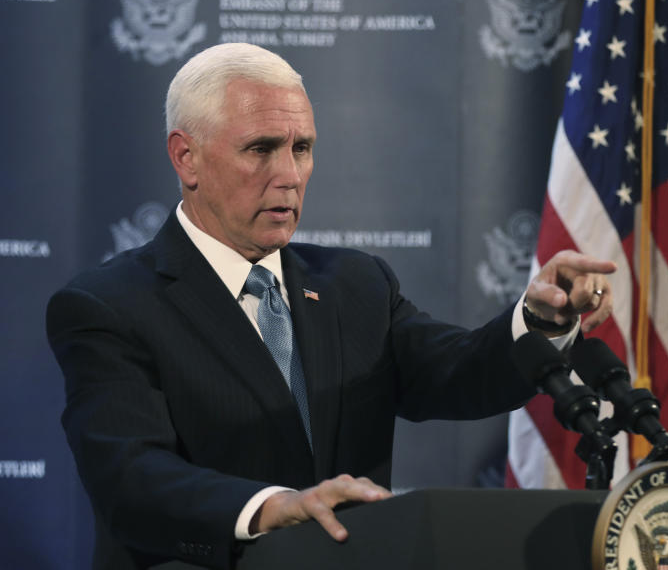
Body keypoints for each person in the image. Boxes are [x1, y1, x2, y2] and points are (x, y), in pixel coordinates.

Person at [46, 43, 615, 570]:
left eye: (302, 148)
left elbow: (459, 370)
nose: (290, 176)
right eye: (261, 149)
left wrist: (541, 321)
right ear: (186, 158)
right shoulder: (109, 306)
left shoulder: (354, 283)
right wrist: (276, 507)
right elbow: (131, 478)